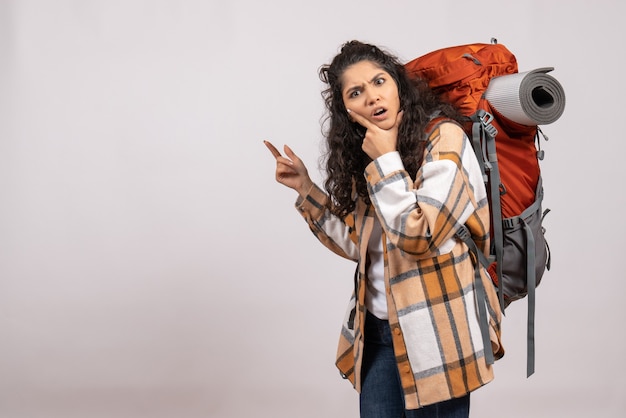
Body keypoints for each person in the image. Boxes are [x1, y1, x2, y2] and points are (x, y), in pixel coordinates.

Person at [264, 40, 504, 418]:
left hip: (437, 334)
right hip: (378, 332)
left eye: (379, 82)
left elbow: (419, 236)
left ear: (397, 85)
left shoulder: (443, 140)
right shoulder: (367, 151)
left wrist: (388, 160)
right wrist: (305, 188)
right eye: (356, 92)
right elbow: (358, 243)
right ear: (346, 108)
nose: (373, 98)